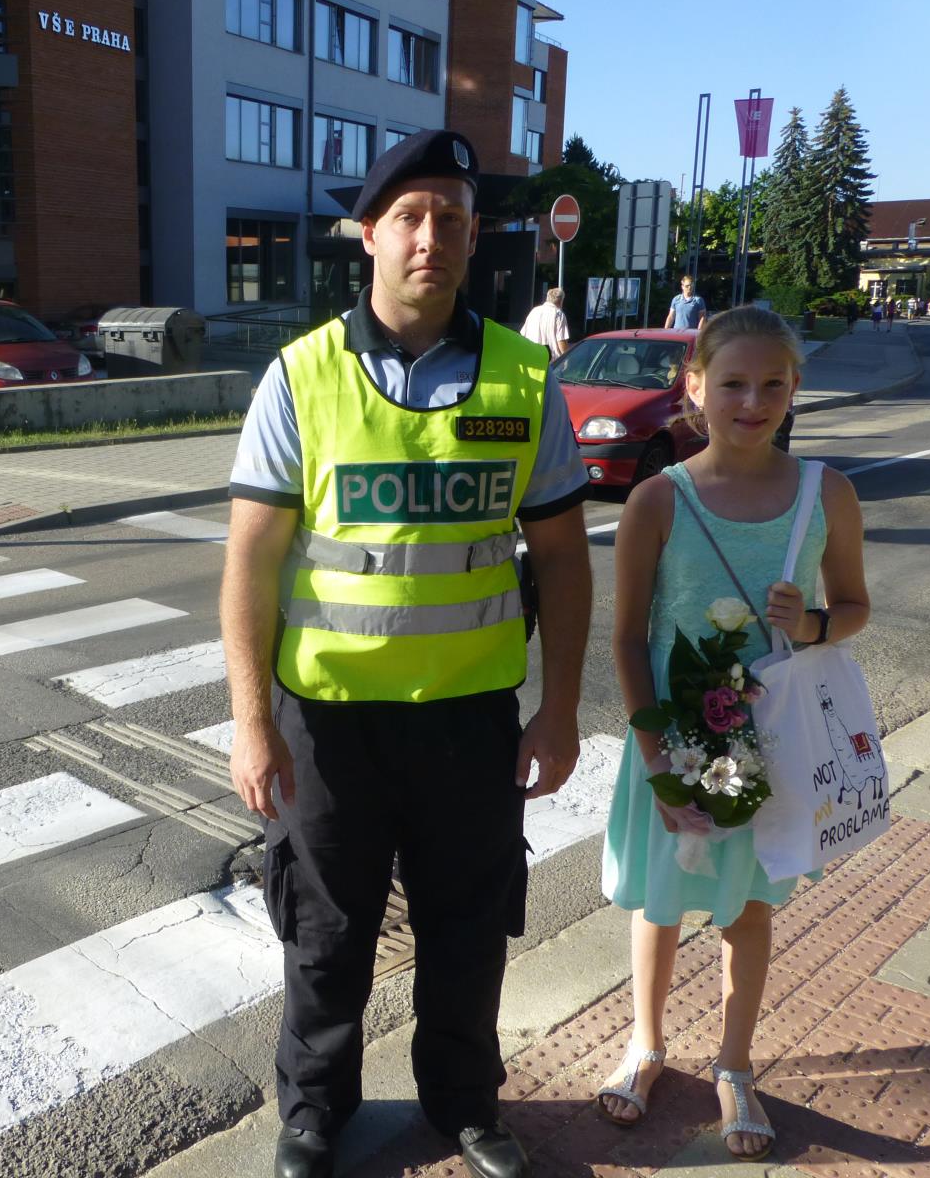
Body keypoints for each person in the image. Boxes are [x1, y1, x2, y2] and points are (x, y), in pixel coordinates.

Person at [220, 128, 593, 1178]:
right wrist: (250, 723)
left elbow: (563, 562)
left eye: (453, 219)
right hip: (327, 726)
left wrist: (558, 710)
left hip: (469, 722)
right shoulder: (301, 378)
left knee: (468, 933)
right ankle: (313, 1110)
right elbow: (250, 566)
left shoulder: (524, 378)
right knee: (324, 936)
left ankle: (463, 1104)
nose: (432, 237)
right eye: (411, 217)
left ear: (473, 239)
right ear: (369, 234)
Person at [595, 306, 871, 1161]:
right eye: (733, 383)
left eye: (773, 384)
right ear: (694, 389)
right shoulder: (656, 501)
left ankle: (736, 1063)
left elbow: (856, 605)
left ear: (795, 390)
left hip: (777, 747)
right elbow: (629, 636)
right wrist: (655, 758)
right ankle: (646, 1043)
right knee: (663, 903)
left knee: (748, 909)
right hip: (677, 744)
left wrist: (818, 622)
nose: (752, 401)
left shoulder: (825, 491)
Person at [520, 287, 571, 358]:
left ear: (547, 298)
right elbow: (561, 341)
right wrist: (566, 359)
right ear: (561, 301)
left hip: (531, 357)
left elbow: (523, 335)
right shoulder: (558, 314)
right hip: (551, 361)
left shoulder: (534, 311)